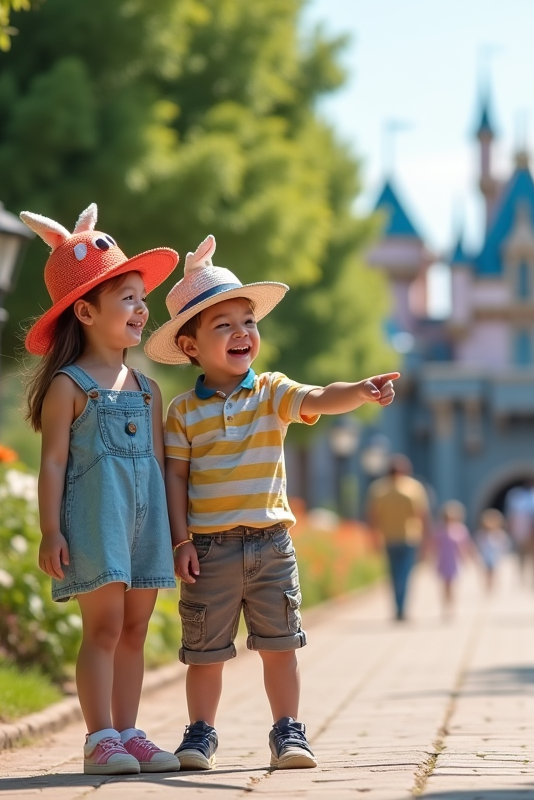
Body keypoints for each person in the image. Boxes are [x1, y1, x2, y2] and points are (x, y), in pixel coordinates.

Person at [144, 235, 398, 772]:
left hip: (271, 545)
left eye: (248, 322)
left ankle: (288, 730)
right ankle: (200, 732)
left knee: (281, 644)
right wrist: (180, 540)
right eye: (223, 325)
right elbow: (175, 476)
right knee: (205, 652)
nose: (242, 333)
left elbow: (319, 397)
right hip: (208, 550)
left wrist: (359, 390)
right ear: (190, 346)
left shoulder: (272, 392)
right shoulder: (182, 411)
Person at [22, 204, 181, 775]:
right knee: (105, 626)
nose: (141, 309)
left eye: (142, 297)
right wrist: (50, 530)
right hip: (96, 524)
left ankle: (129, 731)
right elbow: (53, 464)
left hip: (145, 526)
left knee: (136, 628)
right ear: (86, 311)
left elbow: (162, 467)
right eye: (127, 298)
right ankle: (99, 738)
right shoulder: (69, 386)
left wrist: (179, 537)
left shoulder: (148, 389)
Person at [365, 455, 430, 621]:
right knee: (405, 574)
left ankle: (398, 607)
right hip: (409, 538)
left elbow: (373, 516)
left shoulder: (378, 489)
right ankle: (401, 608)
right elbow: (422, 515)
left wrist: (373, 537)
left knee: (394, 575)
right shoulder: (413, 488)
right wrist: (426, 539)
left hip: (389, 537)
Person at [430, 500, 477, 618]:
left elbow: (466, 546)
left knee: (453, 585)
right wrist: (429, 559)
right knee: (444, 585)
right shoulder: (439, 531)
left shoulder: (460, 530)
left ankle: (452, 607)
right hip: (443, 561)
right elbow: (433, 546)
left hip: (454, 561)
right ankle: (445, 606)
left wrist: (469, 558)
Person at [473, 508, 511, 593]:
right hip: (485, 557)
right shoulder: (482, 534)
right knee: (486, 572)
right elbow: (478, 545)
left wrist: (503, 554)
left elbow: (504, 545)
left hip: (495, 557)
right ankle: (487, 585)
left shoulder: (499, 534)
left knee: (494, 571)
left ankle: (492, 586)